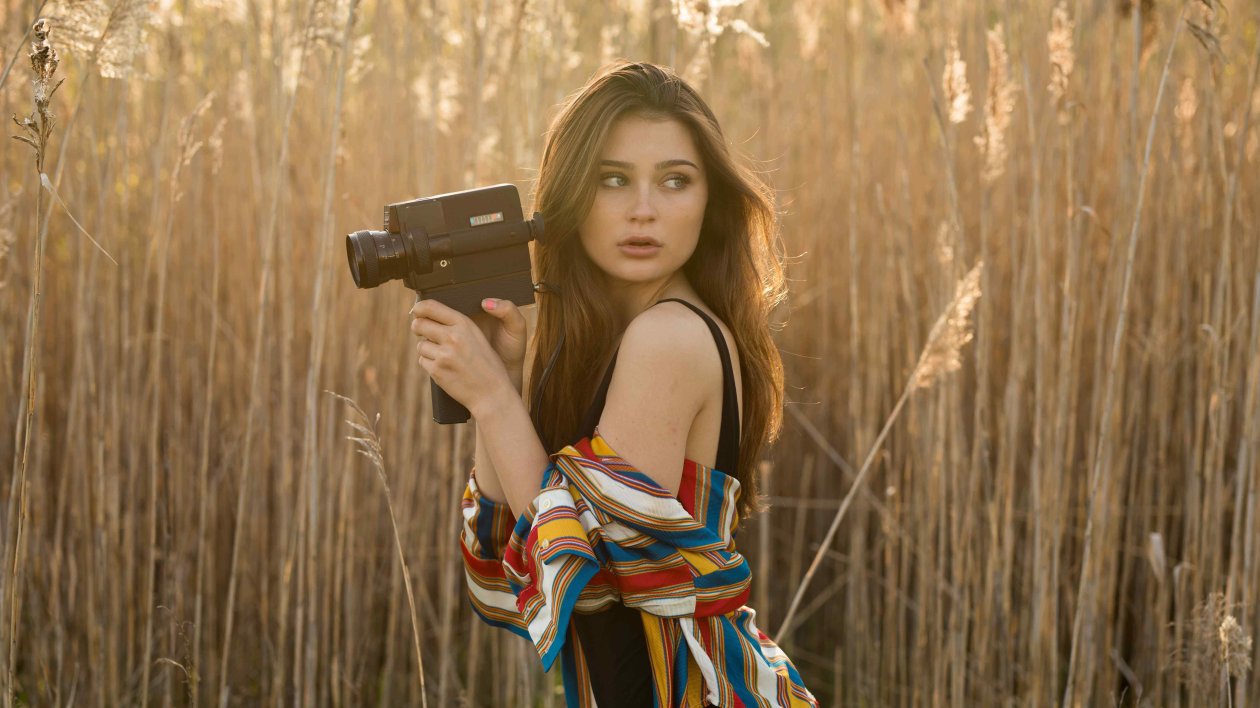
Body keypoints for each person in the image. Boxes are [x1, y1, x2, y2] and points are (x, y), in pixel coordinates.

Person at [409, 61, 817, 707]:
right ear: (571, 196)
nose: (644, 210)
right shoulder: (627, 339)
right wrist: (502, 390)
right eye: (613, 180)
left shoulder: (670, 339)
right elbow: (501, 570)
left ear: (709, 202)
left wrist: (492, 398)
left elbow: (591, 584)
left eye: (675, 181)